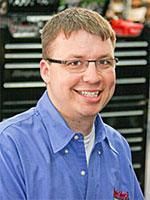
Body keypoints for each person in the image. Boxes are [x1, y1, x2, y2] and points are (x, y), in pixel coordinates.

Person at [0, 7, 144, 200]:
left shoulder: (118, 147)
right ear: (46, 71)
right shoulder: (8, 147)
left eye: (104, 62)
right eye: (75, 63)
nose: (93, 77)